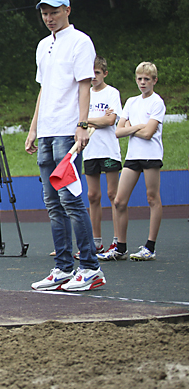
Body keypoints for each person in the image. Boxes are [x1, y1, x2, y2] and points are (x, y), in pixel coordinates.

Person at [25, 0, 106, 292]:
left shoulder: (81, 41)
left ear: (67, 10)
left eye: (54, 12)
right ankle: (63, 267)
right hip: (46, 132)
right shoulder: (43, 45)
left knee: (70, 200)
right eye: (45, 13)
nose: (49, 18)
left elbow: (84, 86)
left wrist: (82, 125)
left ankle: (90, 267)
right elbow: (44, 89)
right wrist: (33, 128)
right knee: (52, 203)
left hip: (67, 132)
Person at [102, 62, 165, 261]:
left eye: (147, 79)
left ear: (154, 80)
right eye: (139, 79)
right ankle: (120, 247)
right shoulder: (131, 102)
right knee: (119, 201)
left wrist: (131, 127)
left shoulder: (157, 103)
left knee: (152, 198)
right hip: (133, 157)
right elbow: (118, 131)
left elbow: (148, 134)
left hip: (151, 156)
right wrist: (137, 125)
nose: (143, 83)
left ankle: (150, 247)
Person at [83, 56, 122, 254]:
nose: (94, 77)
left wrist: (88, 121)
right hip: (90, 150)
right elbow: (78, 120)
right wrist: (96, 119)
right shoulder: (84, 94)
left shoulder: (112, 93)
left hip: (108, 150)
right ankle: (95, 242)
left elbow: (110, 121)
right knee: (92, 195)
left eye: (97, 73)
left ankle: (117, 241)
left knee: (113, 195)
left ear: (104, 73)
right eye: (91, 73)